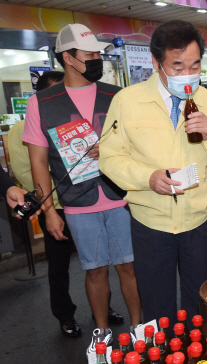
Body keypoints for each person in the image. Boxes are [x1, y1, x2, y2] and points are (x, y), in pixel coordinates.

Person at [99, 20, 207, 330]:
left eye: (195, 65)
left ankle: (197, 353)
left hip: (198, 221)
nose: (187, 74)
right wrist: (147, 177)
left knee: (199, 302)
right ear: (155, 62)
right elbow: (110, 158)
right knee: (156, 305)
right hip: (151, 221)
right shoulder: (127, 101)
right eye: (177, 67)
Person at [23, 24, 141, 357]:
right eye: (89, 54)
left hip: (121, 198)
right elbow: (38, 161)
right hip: (77, 203)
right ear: (68, 58)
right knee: (95, 269)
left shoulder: (116, 95)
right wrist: (48, 211)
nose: (95, 59)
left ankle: (138, 327)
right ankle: (102, 332)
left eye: (97, 54)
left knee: (129, 267)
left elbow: (137, 145)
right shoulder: (42, 103)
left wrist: (113, 152)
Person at [10, 71, 124, 339]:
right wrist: (51, 201)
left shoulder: (87, 116)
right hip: (56, 203)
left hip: (86, 198)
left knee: (100, 262)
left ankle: (105, 311)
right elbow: (26, 169)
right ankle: (65, 315)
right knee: (60, 265)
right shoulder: (22, 128)